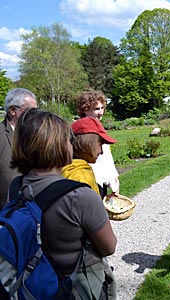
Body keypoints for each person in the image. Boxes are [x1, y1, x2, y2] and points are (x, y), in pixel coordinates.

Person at [9, 108, 117, 299]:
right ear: (58, 145)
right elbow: (109, 246)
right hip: (71, 286)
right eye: (69, 141)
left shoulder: (17, 186)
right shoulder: (79, 195)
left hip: (30, 283)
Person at [76, 90, 119, 198]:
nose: (100, 112)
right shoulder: (81, 132)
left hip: (102, 182)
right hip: (89, 181)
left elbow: (107, 158)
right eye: (96, 109)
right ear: (85, 110)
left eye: (102, 108)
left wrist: (113, 180)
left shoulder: (100, 128)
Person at [0, 88, 37, 208]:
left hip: (31, 208)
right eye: (30, 111)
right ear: (12, 110)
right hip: (5, 210)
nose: (34, 115)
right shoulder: (1, 134)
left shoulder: (36, 134)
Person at [62, 117, 117, 196]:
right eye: (100, 145)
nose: (101, 152)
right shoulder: (81, 177)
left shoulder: (69, 167)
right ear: (88, 144)